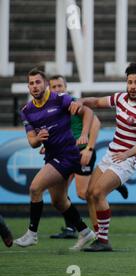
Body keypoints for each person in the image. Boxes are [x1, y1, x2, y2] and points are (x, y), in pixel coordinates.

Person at [71, 60, 136, 252]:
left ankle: (104, 241)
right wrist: (82, 101)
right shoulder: (120, 98)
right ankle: (98, 236)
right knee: (89, 195)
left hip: (127, 159)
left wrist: (126, 153)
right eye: (130, 82)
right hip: (111, 154)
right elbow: (97, 102)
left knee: (99, 193)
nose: (132, 86)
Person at [14, 68, 96, 250]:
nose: (34, 86)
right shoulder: (26, 111)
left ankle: (32, 234)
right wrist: (38, 138)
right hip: (51, 156)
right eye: (31, 83)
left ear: (44, 84)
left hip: (67, 154)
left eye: (37, 82)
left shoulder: (60, 99)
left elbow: (88, 112)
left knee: (35, 188)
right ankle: (85, 232)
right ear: (28, 87)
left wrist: (84, 135)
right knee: (58, 201)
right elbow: (32, 143)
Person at [48, 75, 129, 239]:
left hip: (81, 152)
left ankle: (111, 186)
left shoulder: (74, 103)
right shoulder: (51, 109)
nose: (57, 89)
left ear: (66, 87)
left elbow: (96, 122)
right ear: (49, 90)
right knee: (58, 196)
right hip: (64, 154)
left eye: (60, 86)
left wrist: (89, 149)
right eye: (54, 87)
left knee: (84, 194)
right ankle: (71, 227)